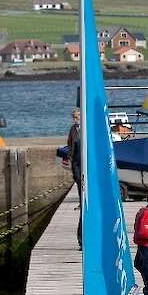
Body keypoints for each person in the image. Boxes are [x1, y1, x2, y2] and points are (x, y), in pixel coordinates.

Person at [67, 107, 82, 249]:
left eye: (77, 117)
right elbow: (69, 142)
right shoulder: (73, 129)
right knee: (77, 179)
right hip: (75, 159)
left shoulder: (85, 127)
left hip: (84, 159)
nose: (75, 120)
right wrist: (69, 155)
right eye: (74, 118)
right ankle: (80, 199)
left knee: (81, 180)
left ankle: (82, 199)